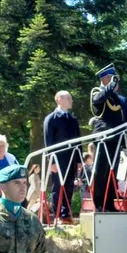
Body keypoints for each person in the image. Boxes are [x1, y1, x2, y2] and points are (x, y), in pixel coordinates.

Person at [90, 65, 127, 211]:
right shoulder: (98, 92)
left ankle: (109, 204)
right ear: (105, 79)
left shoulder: (120, 98)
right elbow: (98, 101)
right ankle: (99, 204)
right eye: (113, 79)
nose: (116, 83)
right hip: (103, 137)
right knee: (100, 172)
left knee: (112, 172)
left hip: (117, 139)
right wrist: (110, 86)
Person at [43, 90, 81, 223]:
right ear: (59, 100)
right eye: (68, 98)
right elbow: (49, 141)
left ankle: (67, 213)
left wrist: (79, 160)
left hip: (71, 158)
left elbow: (78, 140)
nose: (71, 101)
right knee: (58, 186)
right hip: (58, 158)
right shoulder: (51, 119)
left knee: (69, 185)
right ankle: (58, 214)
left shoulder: (73, 120)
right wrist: (51, 161)